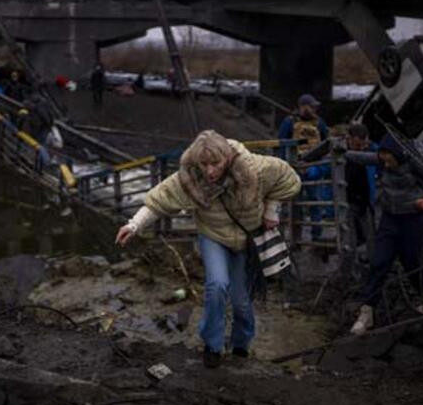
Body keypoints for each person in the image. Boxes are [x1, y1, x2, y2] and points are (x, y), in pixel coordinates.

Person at [115, 130, 301, 368]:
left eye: (215, 163)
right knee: (217, 285)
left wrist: (272, 209)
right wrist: (134, 225)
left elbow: (289, 179)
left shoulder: (255, 167)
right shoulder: (190, 177)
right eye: (204, 164)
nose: (210, 171)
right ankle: (212, 346)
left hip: (245, 240)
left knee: (241, 301)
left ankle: (241, 346)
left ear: (227, 158)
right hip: (213, 236)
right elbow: (161, 199)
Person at [348, 133, 423, 335]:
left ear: (397, 154)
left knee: (413, 262)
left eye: (388, 157)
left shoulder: (415, 163)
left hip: (413, 219)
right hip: (389, 219)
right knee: (379, 263)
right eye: (381, 156)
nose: (385, 161)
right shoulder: (381, 160)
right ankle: (367, 312)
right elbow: (360, 157)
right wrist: (342, 152)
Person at [278, 94, 330, 242]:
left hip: (314, 166)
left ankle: (317, 235)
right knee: (295, 203)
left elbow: (326, 143)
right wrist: (285, 165)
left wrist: (322, 165)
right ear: (302, 107)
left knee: (316, 201)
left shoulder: (319, 123)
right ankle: (296, 238)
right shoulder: (289, 122)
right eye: (311, 106)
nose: (314, 109)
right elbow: (281, 143)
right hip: (295, 166)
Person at [342, 123, 379, 274]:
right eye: (357, 144)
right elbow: (322, 167)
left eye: (364, 144)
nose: (361, 148)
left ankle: (374, 268)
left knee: (371, 236)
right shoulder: (339, 153)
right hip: (347, 202)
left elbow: (384, 154)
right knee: (349, 239)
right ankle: (350, 272)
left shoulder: (372, 152)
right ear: (348, 139)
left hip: (365, 201)